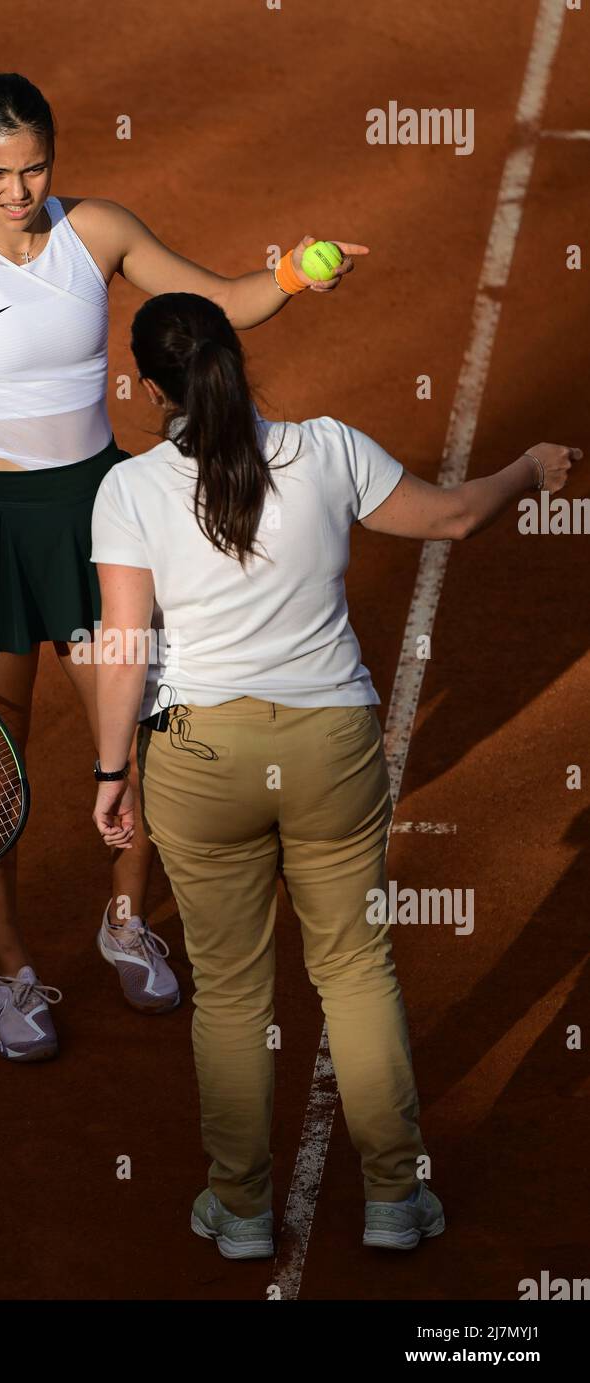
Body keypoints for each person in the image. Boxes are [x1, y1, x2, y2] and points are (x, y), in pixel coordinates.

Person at [0, 71, 369, 1061]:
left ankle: (123, 922)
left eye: (34, 164)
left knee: (148, 741)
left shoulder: (99, 232)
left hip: (100, 519)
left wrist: (296, 273)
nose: (17, 189)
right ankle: (13, 980)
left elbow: (218, 301)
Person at [90, 289, 581, 1256]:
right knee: (356, 969)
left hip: (199, 759)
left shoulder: (130, 490)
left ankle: (239, 1210)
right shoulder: (328, 449)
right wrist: (528, 468)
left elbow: (121, 644)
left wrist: (114, 770)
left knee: (230, 992)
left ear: (152, 388)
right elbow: (450, 520)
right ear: (236, 358)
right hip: (332, 751)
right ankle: (397, 1199)